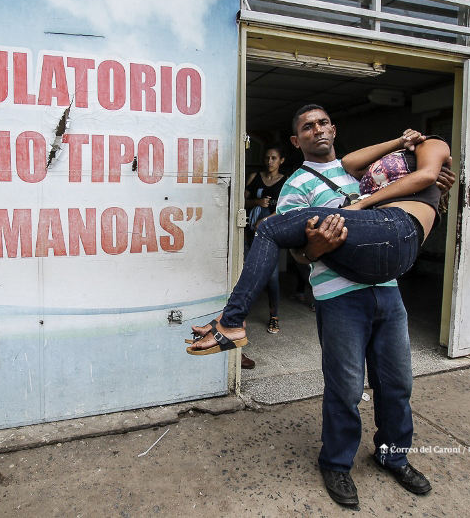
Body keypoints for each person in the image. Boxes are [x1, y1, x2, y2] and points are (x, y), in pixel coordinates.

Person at [187, 104, 455, 507]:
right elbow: (298, 256)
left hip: (386, 288)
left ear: (334, 127)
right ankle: (336, 462)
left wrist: (432, 190)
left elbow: (409, 192)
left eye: (324, 122)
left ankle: (393, 455)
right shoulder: (294, 187)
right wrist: (317, 245)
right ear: (297, 141)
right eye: (308, 127)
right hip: (338, 296)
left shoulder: (363, 170)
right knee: (346, 389)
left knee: (397, 383)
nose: (318, 130)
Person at [244, 144, 287, 335]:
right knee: (245, 272)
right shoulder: (255, 178)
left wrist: (265, 219)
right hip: (250, 232)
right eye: (267, 158)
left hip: (272, 235)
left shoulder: (286, 182)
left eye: (274, 158)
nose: (270, 161)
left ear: (281, 161)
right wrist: (257, 203)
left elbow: (286, 209)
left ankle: (274, 317)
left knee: (273, 276)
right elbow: (241, 201)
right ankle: (240, 316)